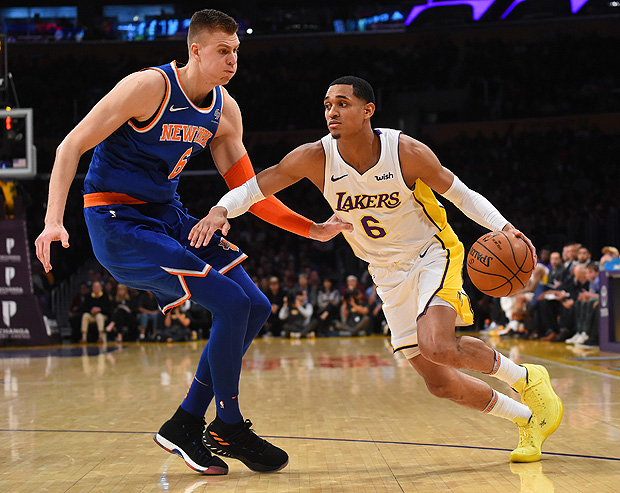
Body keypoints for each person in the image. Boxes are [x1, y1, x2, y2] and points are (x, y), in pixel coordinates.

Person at [34, 9, 349, 476]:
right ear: (195, 50)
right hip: (116, 220)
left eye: (237, 51)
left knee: (256, 304)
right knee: (229, 303)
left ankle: (185, 423)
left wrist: (312, 228)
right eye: (223, 51)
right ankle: (228, 423)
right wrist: (52, 221)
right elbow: (69, 147)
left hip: (166, 216)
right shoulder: (148, 87)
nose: (232, 60)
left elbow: (250, 193)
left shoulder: (225, 111)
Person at [197, 75, 563, 463]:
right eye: (326, 105)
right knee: (439, 384)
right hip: (384, 271)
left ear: (367, 110)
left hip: (431, 253)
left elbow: (460, 194)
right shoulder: (314, 157)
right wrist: (221, 208)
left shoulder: (406, 151)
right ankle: (527, 419)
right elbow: (255, 188)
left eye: (342, 103)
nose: (332, 112)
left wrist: (504, 227)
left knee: (436, 344)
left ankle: (526, 378)